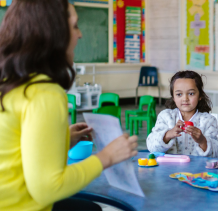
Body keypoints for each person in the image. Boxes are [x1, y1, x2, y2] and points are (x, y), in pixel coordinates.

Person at [0, 1, 138, 210]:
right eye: (75, 25)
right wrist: (107, 156)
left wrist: (62, 139)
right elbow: (48, 188)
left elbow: (14, 153)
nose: (80, 34)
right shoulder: (44, 92)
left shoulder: (11, 82)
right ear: (52, 33)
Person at [147, 70, 218, 157]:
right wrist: (167, 135)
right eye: (179, 94)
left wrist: (202, 141)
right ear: (173, 97)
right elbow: (151, 146)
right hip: (169, 169)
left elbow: (215, 153)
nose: (185, 98)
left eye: (191, 93)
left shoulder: (209, 120)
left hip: (197, 170)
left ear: (200, 95)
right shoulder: (165, 117)